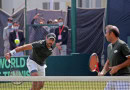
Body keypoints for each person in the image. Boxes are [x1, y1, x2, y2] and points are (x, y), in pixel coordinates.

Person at [98, 25, 130, 89]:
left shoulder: (122, 44)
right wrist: (102, 72)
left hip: (123, 78)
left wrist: (117, 67)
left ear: (111, 34)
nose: (105, 35)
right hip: (113, 78)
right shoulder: (109, 46)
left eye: (106, 33)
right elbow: (108, 61)